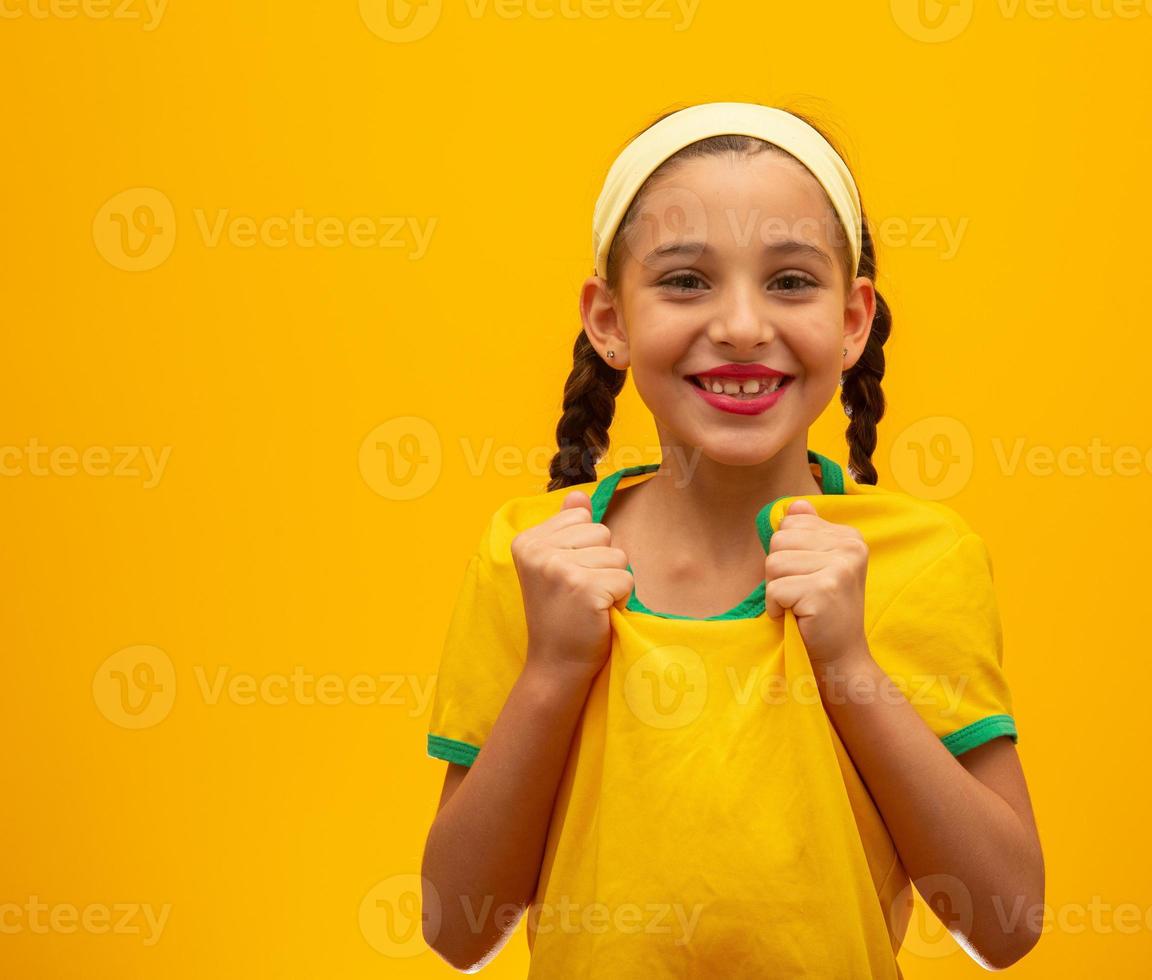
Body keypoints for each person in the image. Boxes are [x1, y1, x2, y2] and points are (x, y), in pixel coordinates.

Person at [419, 100, 1044, 977]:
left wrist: (850, 666)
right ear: (609, 321)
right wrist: (555, 668)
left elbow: (1006, 921)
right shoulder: (534, 558)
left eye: (791, 281)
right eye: (685, 281)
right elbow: (456, 928)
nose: (744, 326)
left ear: (855, 319)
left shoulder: (920, 556)